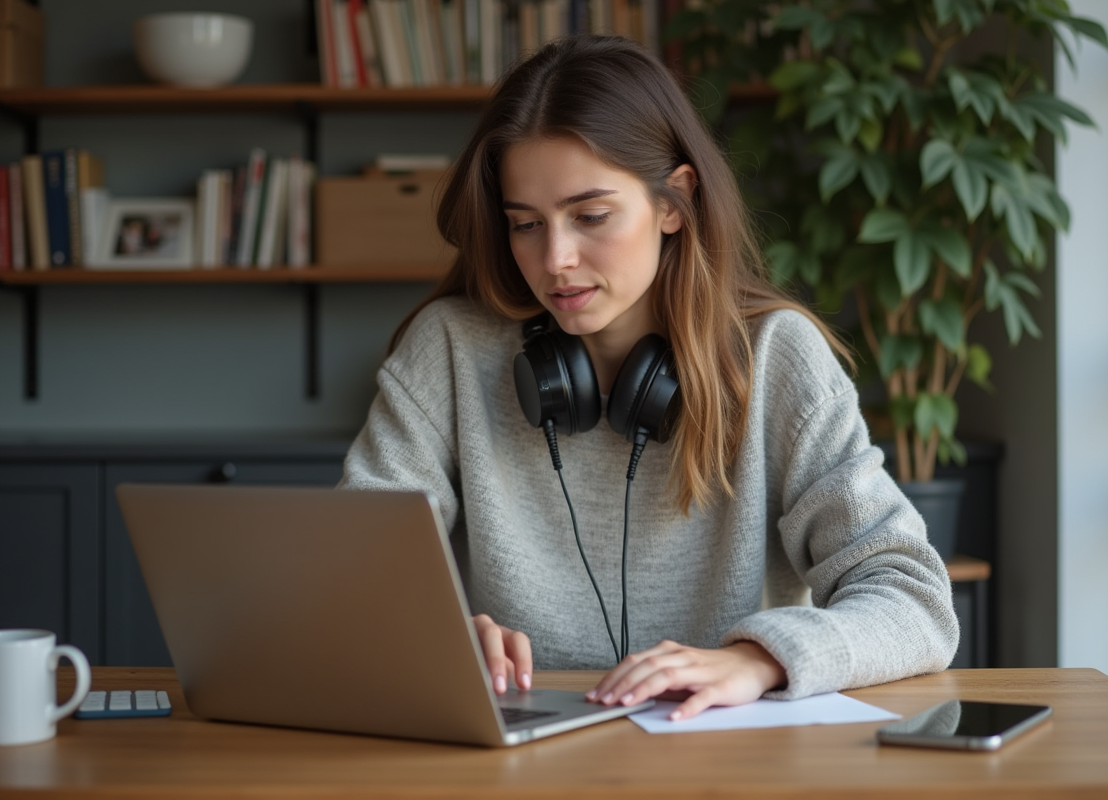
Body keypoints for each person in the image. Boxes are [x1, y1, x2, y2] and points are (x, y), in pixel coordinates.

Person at [339, 34, 958, 722]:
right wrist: (432, 631)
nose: (555, 259)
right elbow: (351, 575)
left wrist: (760, 658)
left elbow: (915, 602)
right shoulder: (450, 349)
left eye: (591, 216)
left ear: (673, 202)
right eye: (525, 224)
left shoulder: (777, 357)